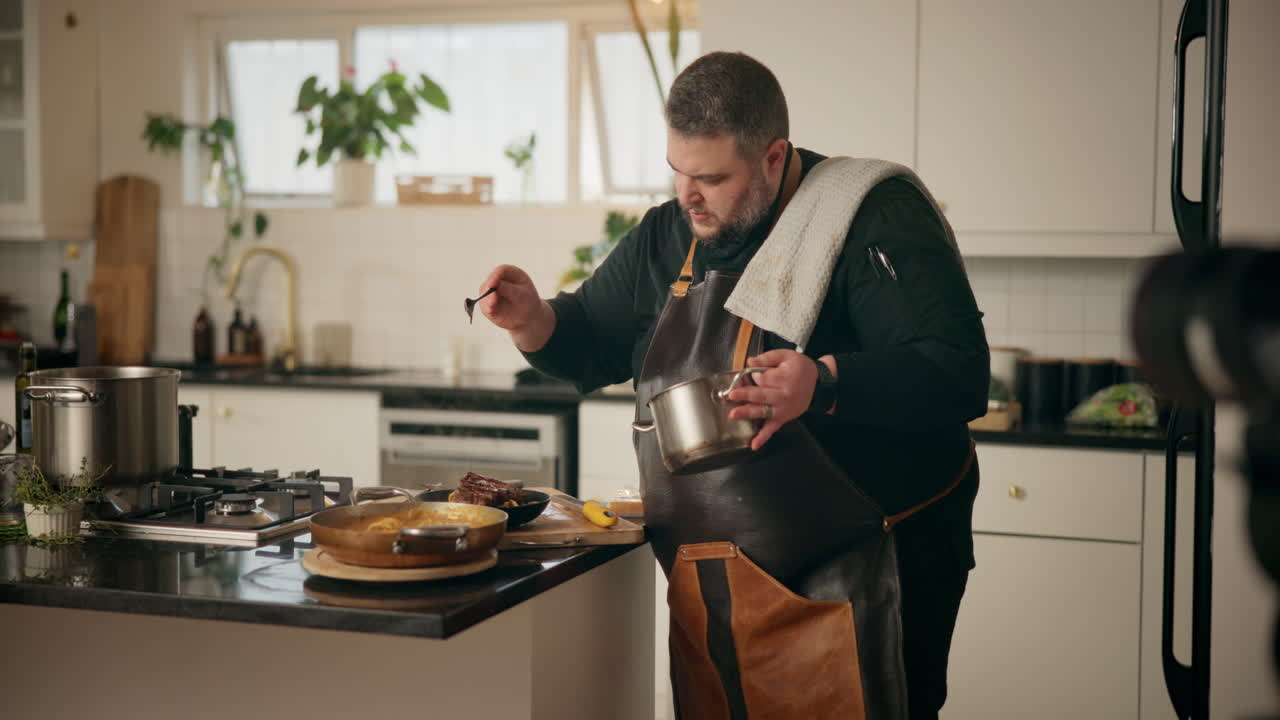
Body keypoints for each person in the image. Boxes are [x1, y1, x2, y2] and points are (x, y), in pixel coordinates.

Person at [478, 51, 988, 720]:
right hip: (716, 583)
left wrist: (824, 380)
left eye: (712, 178)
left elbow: (957, 370)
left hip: (869, 572)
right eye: (678, 171)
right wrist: (533, 320)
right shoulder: (668, 235)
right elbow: (589, 340)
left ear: (774, 158)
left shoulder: (869, 214)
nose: (688, 195)